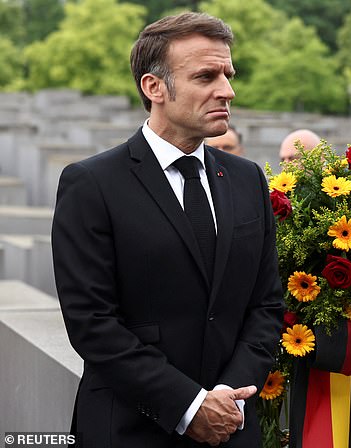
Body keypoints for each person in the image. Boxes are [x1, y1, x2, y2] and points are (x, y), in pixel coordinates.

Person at [51, 12, 284, 447]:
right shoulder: (92, 184)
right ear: (153, 87)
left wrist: (225, 399)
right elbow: (92, 322)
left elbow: (266, 304)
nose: (227, 91)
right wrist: (189, 406)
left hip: (233, 426)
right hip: (130, 429)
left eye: (228, 75)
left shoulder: (247, 179)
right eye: (206, 76)